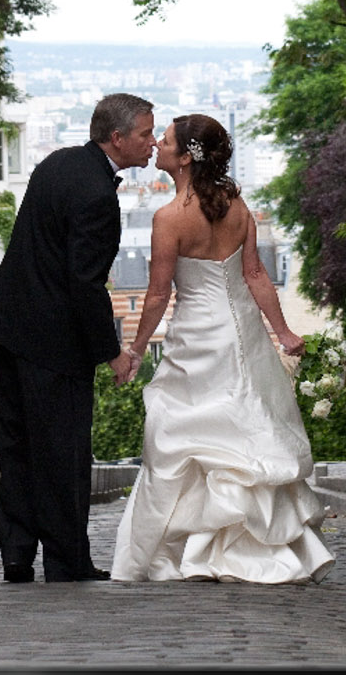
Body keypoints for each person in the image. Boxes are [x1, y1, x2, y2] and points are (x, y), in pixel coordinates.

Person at [110, 113, 334, 584]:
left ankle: (193, 549)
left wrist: (132, 349)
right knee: (249, 426)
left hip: (196, 337)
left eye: (165, 141)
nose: (158, 147)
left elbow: (157, 294)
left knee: (183, 435)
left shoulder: (169, 218)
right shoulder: (237, 206)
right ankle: (256, 544)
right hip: (244, 332)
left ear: (185, 157)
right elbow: (255, 274)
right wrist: (284, 332)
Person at [0, 93, 156, 583]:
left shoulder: (56, 163)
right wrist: (111, 352)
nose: (153, 143)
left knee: (16, 449)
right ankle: (65, 558)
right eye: (145, 134)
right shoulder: (98, 194)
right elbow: (84, 281)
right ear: (116, 138)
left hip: (11, 327)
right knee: (62, 452)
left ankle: (16, 555)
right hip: (55, 343)